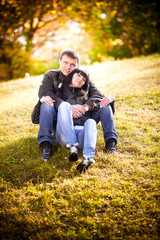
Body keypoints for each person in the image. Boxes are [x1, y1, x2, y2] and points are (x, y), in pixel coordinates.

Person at [31, 48, 118, 163]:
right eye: (65, 63)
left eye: (72, 65)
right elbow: (45, 93)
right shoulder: (51, 76)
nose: (68, 67)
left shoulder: (81, 76)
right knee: (46, 103)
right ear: (59, 61)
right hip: (61, 119)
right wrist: (67, 108)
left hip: (84, 118)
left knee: (104, 103)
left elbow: (97, 94)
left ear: (77, 65)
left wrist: (86, 107)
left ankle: (110, 144)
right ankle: (46, 146)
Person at [55, 68, 97, 173]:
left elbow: (99, 97)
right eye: (78, 75)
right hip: (64, 133)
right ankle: (72, 145)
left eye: (84, 79)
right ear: (72, 74)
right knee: (64, 105)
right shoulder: (59, 91)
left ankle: (88, 157)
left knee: (91, 122)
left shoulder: (86, 96)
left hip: (82, 135)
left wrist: (85, 108)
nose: (80, 79)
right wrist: (69, 109)